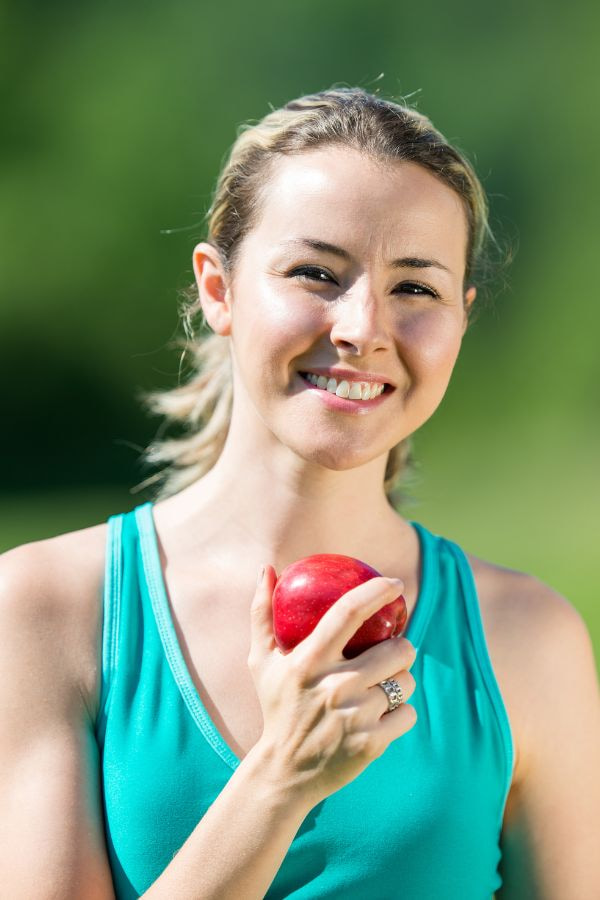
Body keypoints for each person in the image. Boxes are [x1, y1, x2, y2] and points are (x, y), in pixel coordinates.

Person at [1, 87, 598, 900]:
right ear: (220, 289)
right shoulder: (47, 610)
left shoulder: (529, 641)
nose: (361, 327)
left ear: (462, 320)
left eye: (415, 289)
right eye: (316, 273)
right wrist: (279, 781)